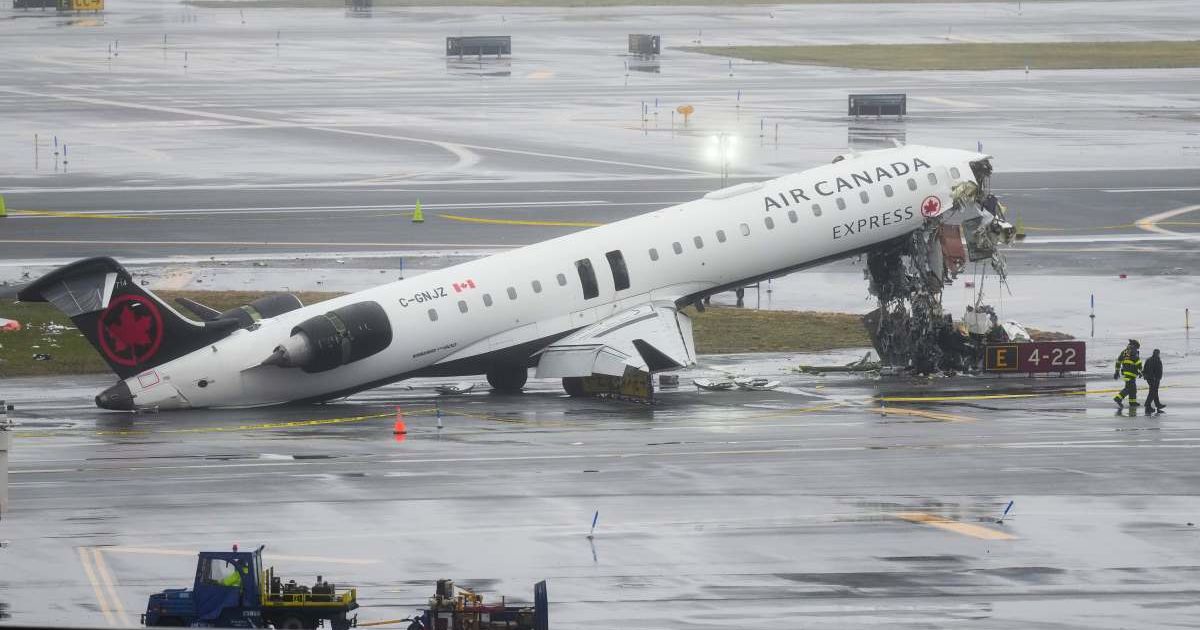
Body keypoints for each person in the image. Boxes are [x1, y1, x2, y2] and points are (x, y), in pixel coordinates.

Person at [1113, 339, 1142, 410]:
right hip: (1132, 372)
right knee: (1129, 388)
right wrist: (1141, 371)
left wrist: (1117, 371)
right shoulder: (1133, 350)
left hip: (1126, 372)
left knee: (1133, 388)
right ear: (1135, 345)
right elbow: (1138, 361)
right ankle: (1118, 398)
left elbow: (1118, 361)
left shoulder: (1124, 351)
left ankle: (1132, 402)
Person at [1143, 348, 1165, 414]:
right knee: (1153, 392)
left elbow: (1145, 369)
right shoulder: (1154, 360)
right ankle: (1147, 405)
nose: (1158, 354)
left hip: (1153, 378)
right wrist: (1154, 378)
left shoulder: (1150, 359)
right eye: (1158, 353)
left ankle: (1157, 404)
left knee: (1154, 391)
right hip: (1154, 379)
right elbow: (1150, 370)